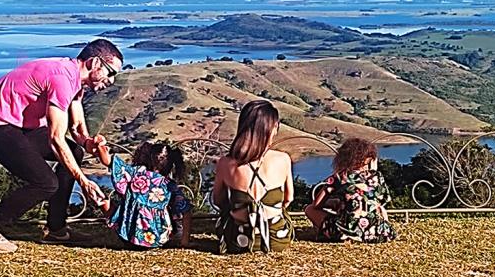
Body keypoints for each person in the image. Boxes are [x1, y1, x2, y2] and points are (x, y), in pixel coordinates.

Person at [0, 39, 123, 253]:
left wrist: (89, 144)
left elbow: (76, 129)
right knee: (46, 183)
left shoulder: (74, 80)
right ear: (94, 63)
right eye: (110, 72)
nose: (111, 80)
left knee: (74, 152)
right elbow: (56, 138)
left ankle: (56, 229)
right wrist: (84, 182)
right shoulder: (62, 79)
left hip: (19, 126)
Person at [212, 100, 295, 253]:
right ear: (272, 128)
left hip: (238, 240)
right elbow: (288, 199)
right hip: (276, 239)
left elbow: (218, 200)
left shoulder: (225, 163)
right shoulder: (283, 159)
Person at [96, 141, 192, 248]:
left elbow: (110, 162)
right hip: (159, 240)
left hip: (130, 237)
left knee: (104, 201)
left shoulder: (136, 173)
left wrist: (99, 145)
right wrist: (184, 242)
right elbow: (186, 211)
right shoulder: (170, 185)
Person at [304, 137, 396, 244]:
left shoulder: (338, 177)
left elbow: (316, 205)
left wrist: (332, 203)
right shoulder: (377, 177)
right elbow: (382, 202)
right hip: (377, 233)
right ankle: (383, 231)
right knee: (380, 209)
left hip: (345, 233)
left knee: (309, 209)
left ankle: (338, 234)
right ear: (369, 159)